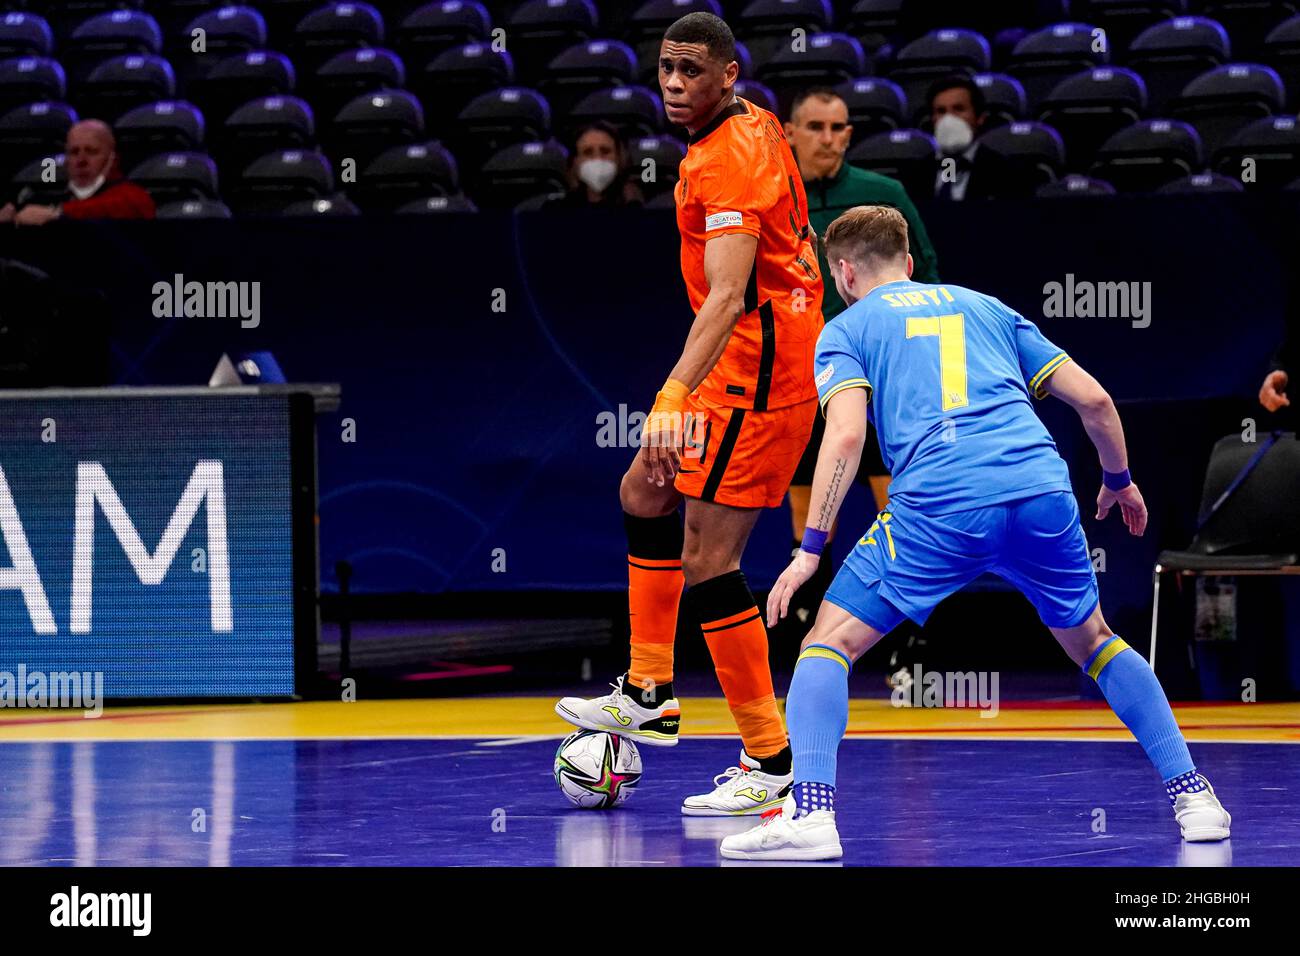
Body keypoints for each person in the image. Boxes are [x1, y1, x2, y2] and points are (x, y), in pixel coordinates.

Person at [720, 205, 1231, 860]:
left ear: (843, 272)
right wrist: (1118, 480)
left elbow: (846, 435)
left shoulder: (845, 329)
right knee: (1097, 642)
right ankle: (1197, 798)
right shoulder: (987, 308)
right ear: (908, 262)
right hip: (1041, 492)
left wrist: (809, 549)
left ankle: (813, 816)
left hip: (941, 505)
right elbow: (1097, 402)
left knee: (828, 643)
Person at [556, 11, 823, 816]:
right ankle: (649, 688)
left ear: (727, 74)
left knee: (711, 560)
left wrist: (672, 393)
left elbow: (733, 294)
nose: (674, 84)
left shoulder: (732, 162)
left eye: (691, 71)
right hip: (734, 367)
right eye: (666, 68)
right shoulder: (743, 126)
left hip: (760, 380)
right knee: (644, 494)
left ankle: (769, 758)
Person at [778, 85, 940, 647]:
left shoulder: (881, 194)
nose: (829, 138)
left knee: (895, 501)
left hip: (878, 382)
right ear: (791, 132)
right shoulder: (776, 195)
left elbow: (925, 279)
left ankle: (908, 639)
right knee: (808, 501)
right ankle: (809, 627)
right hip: (800, 382)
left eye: (839, 128)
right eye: (817, 127)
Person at [0, 119, 154, 225]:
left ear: (112, 159)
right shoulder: (56, 197)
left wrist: (57, 214)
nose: (81, 161)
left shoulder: (132, 196)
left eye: (91, 151)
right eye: (74, 152)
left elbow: (121, 208)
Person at [543, 121, 644, 208]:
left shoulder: (632, 207)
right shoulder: (556, 209)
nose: (597, 158)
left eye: (605, 151)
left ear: (619, 158)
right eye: (587, 152)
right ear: (575, 162)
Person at [929, 75, 996, 202]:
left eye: (958, 109)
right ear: (933, 119)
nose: (948, 119)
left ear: (980, 117)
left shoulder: (1006, 173)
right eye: (941, 111)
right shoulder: (914, 174)